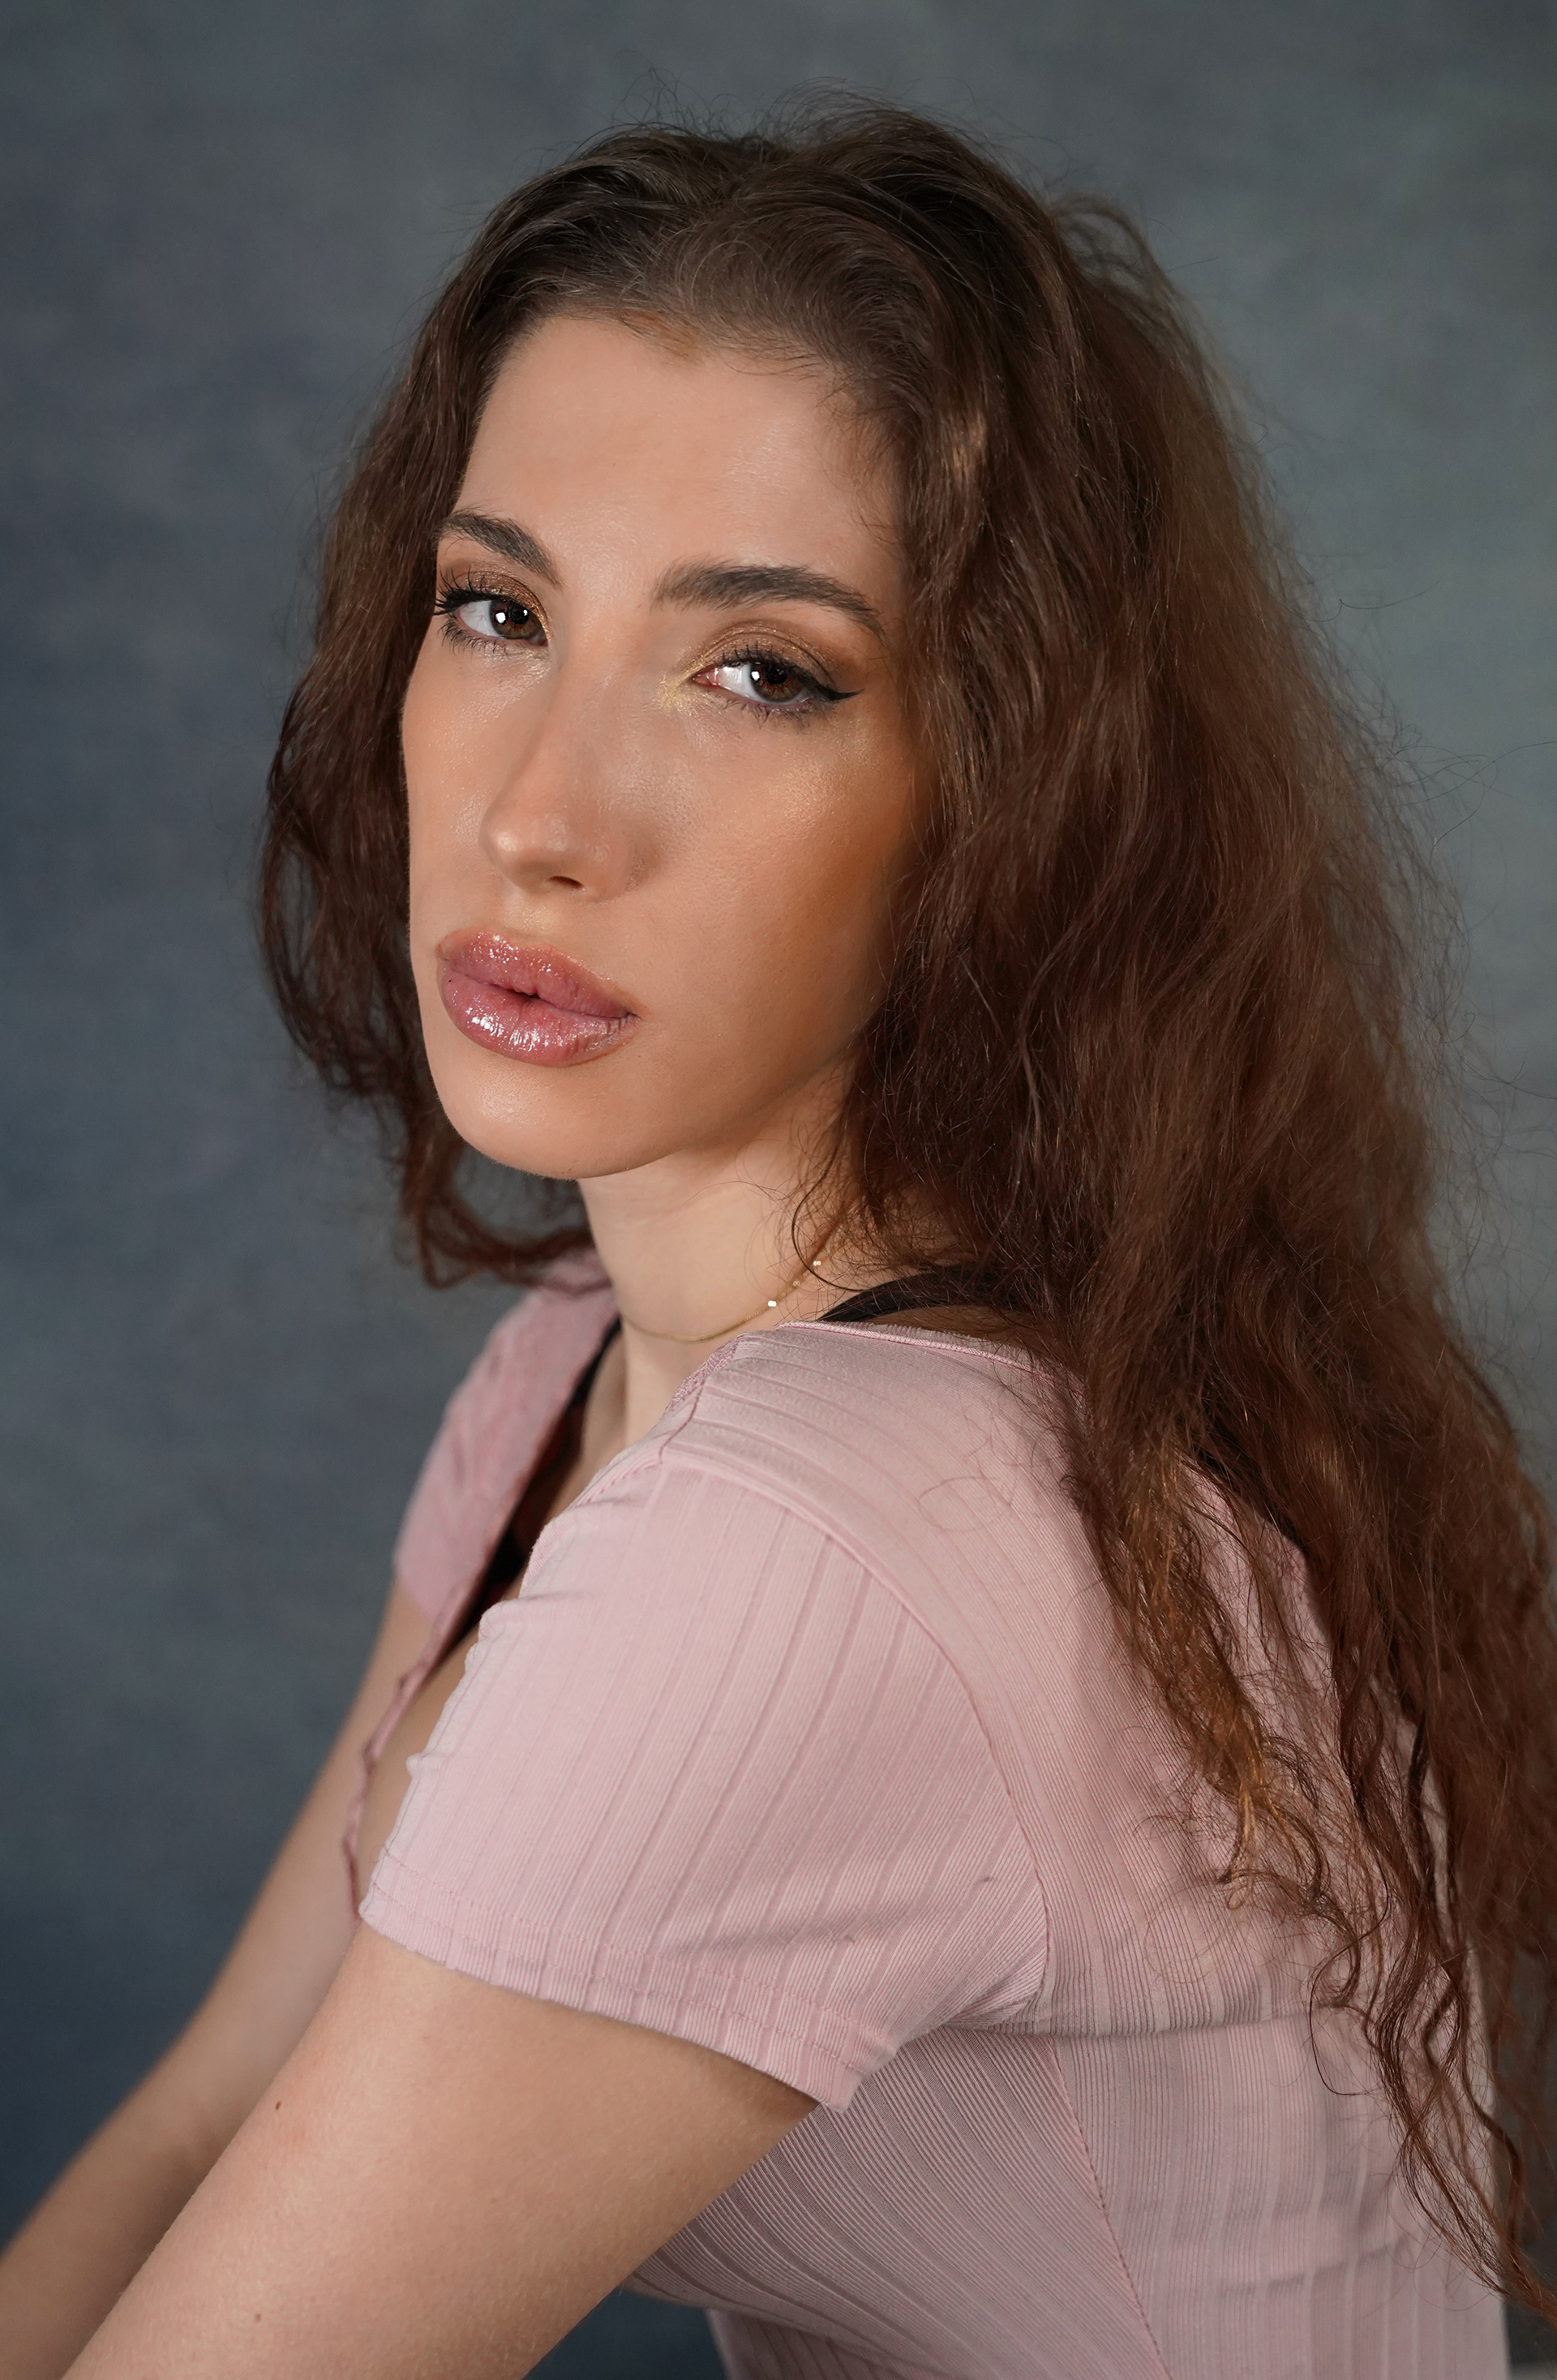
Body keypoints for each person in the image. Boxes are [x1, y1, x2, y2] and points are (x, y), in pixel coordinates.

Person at [1, 99, 1553, 2380]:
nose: (542, 815)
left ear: (1005, 800)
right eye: (498, 610)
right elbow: (204, 2127)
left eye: (763, 673)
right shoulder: (580, 1365)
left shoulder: (814, 1544)